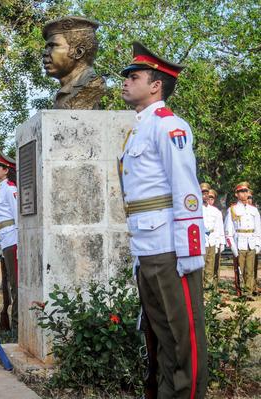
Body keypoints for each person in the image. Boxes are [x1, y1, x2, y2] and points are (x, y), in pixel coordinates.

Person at [120, 41, 208, 397]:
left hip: (171, 251)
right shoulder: (138, 129)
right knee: (159, 336)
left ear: (156, 85)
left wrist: (189, 253)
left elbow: (186, 190)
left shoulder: (169, 126)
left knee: (184, 336)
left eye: (134, 76)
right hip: (147, 248)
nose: (125, 81)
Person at [0, 154, 18, 332]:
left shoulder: (9, 188)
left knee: (15, 284)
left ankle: (16, 326)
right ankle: (9, 323)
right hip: (5, 239)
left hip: (13, 239)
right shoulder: (1, 188)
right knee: (6, 283)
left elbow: (17, 216)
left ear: (6, 170)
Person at [224, 181, 260, 297]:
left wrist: (258, 244)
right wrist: (233, 248)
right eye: (242, 191)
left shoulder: (253, 210)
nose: (244, 194)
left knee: (250, 269)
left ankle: (248, 292)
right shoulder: (232, 209)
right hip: (239, 243)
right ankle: (241, 292)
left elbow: (258, 229)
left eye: (246, 191)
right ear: (236, 194)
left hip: (251, 242)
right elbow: (228, 231)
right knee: (240, 269)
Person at [201, 183, 225, 287]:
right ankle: (200, 290)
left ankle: (208, 289)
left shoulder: (215, 211)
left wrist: (221, 242)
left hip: (212, 240)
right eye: (203, 193)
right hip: (201, 240)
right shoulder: (195, 209)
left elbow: (219, 228)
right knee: (200, 267)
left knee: (210, 267)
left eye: (207, 193)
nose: (205, 196)